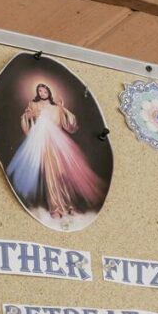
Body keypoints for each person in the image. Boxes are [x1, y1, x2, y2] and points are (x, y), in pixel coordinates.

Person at [6, 83, 105, 220]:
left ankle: (69, 206)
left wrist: (63, 108)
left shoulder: (57, 108)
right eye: (39, 91)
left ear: (49, 91)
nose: (42, 92)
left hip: (59, 143)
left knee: (63, 174)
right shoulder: (33, 105)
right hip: (44, 142)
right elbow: (26, 119)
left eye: (44, 90)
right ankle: (56, 208)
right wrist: (30, 115)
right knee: (51, 174)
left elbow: (70, 124)